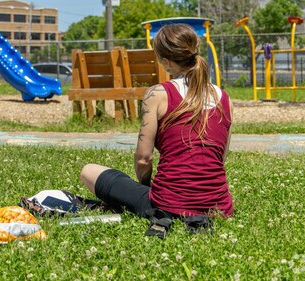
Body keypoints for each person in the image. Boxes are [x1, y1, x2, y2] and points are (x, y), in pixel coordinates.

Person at [80, 23, 233, 227]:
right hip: (219, 207)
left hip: (168, 205)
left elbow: (144, 158)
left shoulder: (158, 94)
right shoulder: (224, 98)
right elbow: (220, 156)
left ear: (167, 62)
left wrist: (143, 188)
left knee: (88, 171)